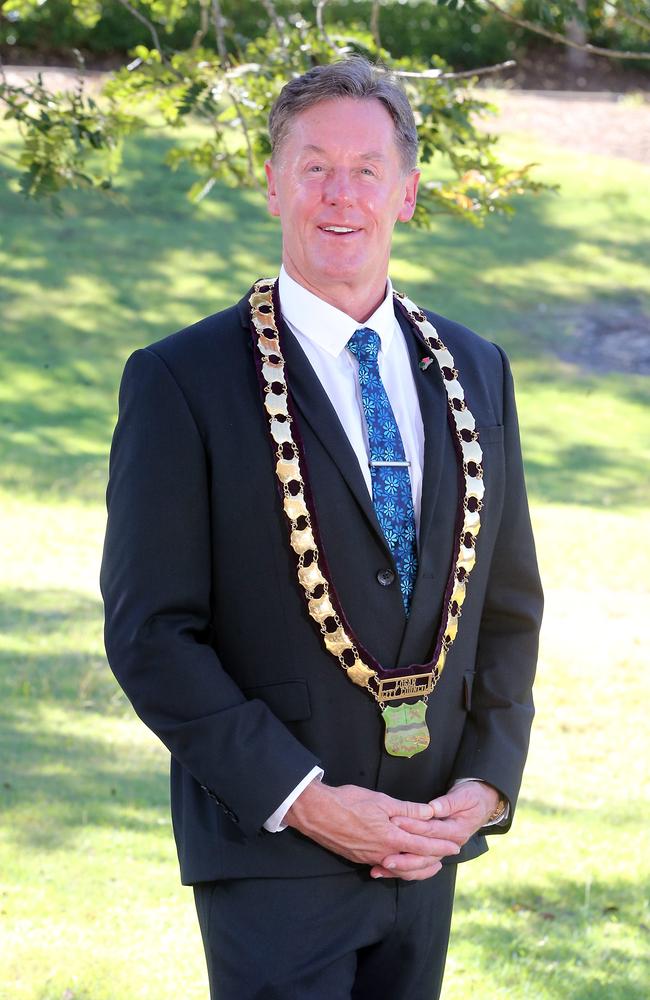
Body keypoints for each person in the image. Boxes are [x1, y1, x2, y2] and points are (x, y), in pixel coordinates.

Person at [100, 57, 543, 1000]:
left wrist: (489, 785)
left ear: (407, 193)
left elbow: (507, 605)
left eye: (367, 169)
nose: (341, 195)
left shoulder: (478, 367)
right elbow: (152, 634)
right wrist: (305, 801)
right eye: (313, 167)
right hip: (272, 853)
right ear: (272, 184)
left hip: (430, 846)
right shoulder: (183, 380)